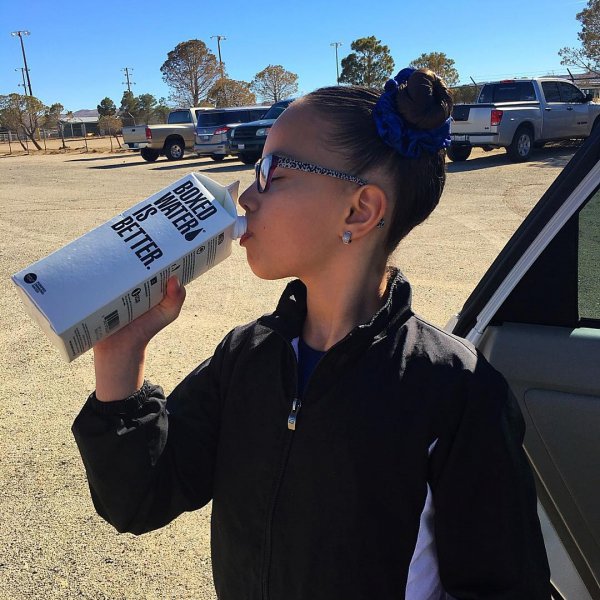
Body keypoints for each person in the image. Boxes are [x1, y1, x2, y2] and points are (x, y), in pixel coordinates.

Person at [72, 68, 550, 599]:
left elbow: (505, 586)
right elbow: (139, 499)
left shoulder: (456, 391)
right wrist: (121, 352)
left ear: (360, 208)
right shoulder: (245, 357)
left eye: (271, 172)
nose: (245, 200)